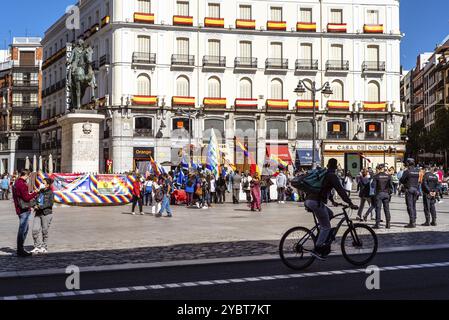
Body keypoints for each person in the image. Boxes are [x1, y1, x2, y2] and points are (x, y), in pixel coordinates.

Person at [304, 159, 358, 260]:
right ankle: (317, 249)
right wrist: (350, 203)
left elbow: (324, 189)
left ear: (328, 165)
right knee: (326, 226)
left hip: (310, 200)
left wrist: (332, 201)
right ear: (336, 167)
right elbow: (340, 191)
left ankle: (322, 236)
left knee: (330, 214)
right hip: (316, 202)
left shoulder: (324, 174)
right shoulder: (332, 176)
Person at [12, 169, 38, 257]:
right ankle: (20, 249)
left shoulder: (16, 183)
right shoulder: (22, 184)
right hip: (24, 209)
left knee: (25, 229)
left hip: (19, 208)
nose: (28, 178)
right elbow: (26, 198)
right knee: (22, 230)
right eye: (29, 176)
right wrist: (35, 193)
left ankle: (21, 248)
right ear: (26, 175)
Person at [31, 178, 55, 254]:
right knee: (35, 230)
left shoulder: (50, 193)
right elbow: (34, 200)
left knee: (44, 231)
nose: (41, 184)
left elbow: (50, 203)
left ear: (47, 185)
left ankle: (44, 247)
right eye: (42, 182)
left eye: (43, 183)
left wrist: (40, 207)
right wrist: (34, 205)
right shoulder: (39, 192)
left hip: (46, 213)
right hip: (38, 213)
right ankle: (37, 246)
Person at [399, 158, 420, 228]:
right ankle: (414, 219)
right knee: (413, 206)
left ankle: (412, 222)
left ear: (408, 163)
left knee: (410, 206)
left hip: (409, 189)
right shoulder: (417, 171)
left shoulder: (407, 171)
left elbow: (402, 180)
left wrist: (404, 182)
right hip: (416, 189)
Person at [372, 165, 393, 229]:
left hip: (379, 194)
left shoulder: (376, 176)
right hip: (386, 194)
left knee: (378, 209)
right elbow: (391, 186)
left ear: (378, 169)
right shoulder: (388, 176)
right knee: (386, 209)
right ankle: (388, 223)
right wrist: (389, 193)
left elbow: (373, 186)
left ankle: (377, 224)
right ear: (383, 169)